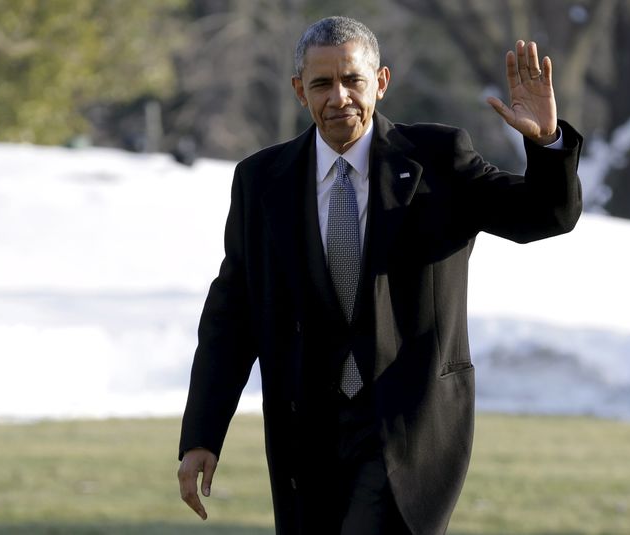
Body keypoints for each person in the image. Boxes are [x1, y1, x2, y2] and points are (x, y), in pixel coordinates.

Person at [178, 15, 582, 535]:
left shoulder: (439, 159)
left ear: (381, 82)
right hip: (308, 435)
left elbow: (544, 217)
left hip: (410, 427)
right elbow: (231, 319)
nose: (339, 96)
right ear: (300, 91)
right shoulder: (261, 181)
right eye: (322, 83)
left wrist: (547, 143)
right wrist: (202, 436)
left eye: (353, 80)